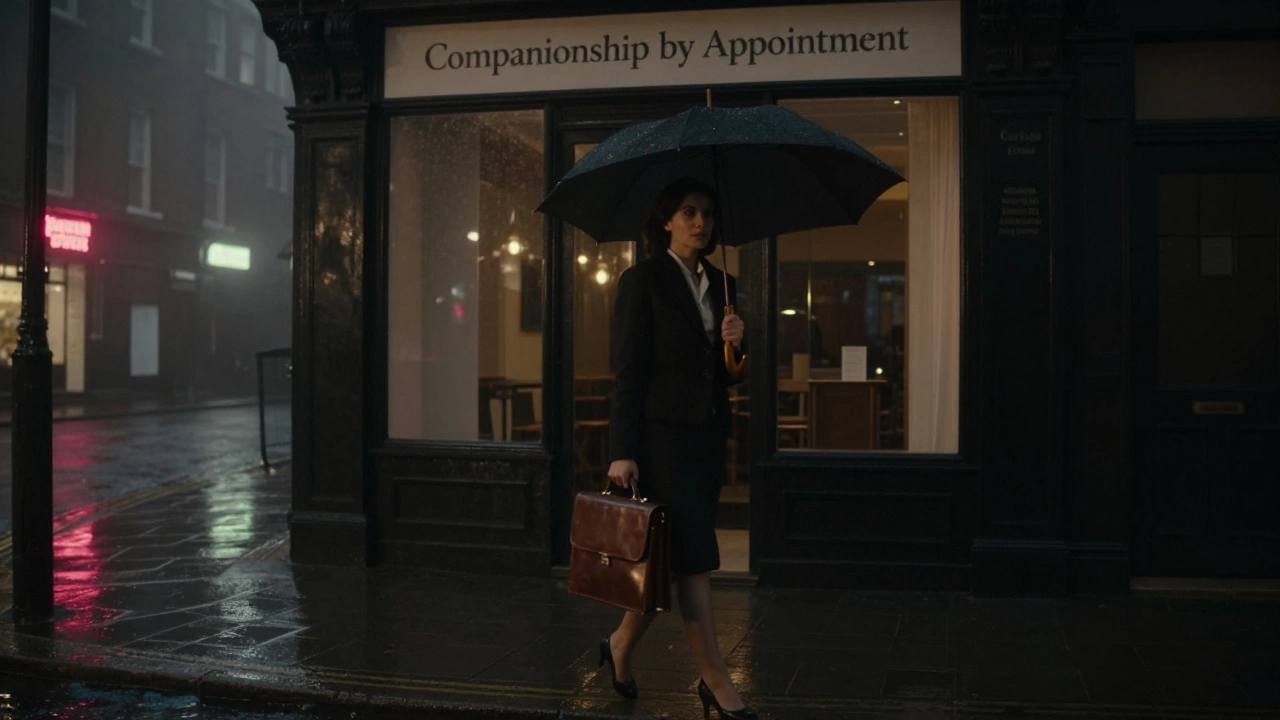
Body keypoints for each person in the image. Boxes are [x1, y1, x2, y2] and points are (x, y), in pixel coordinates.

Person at [599, 178, 755, 720]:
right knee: (694, 561)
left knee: (666, 562)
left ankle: (619, 644)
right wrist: (622, 449)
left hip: (707, 438)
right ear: (667, 221)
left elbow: (726, 377)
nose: (700, 222)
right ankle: (716, 680)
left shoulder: (725, 283)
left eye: (708, 213)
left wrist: (736, 344)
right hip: (661, 440)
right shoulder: (643, 281)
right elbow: (629, 371)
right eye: (688, 212)